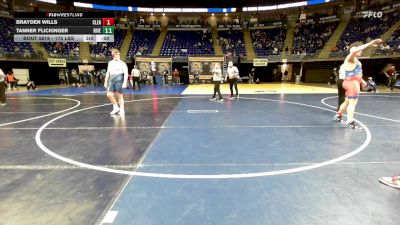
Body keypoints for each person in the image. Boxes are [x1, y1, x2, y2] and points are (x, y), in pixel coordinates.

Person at [333, 39, 383, 129]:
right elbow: (353, 50)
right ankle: (350, 122)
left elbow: (357, 75)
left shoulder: (357, 61)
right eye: (359, 49)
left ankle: (338, 115)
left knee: (347, 101)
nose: (361, 51)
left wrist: (363, 82)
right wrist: (370, 43)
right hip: (352, 84)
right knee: (352, 104)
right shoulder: (350, 58)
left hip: (351, 82)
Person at [104, 49, 128, 115]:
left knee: (119, 96)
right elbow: (108, 72)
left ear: (119, 55)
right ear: (113, 56)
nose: (117, 56)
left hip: (119, 79)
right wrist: (105, 81)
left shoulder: (123, 63)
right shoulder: (110, 63)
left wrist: (125, 82)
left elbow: (126, 73)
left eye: (118, 55)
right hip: (111, 80)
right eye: (115, 55)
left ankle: (122, 110)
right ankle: (116, 107)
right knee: (109, 95)